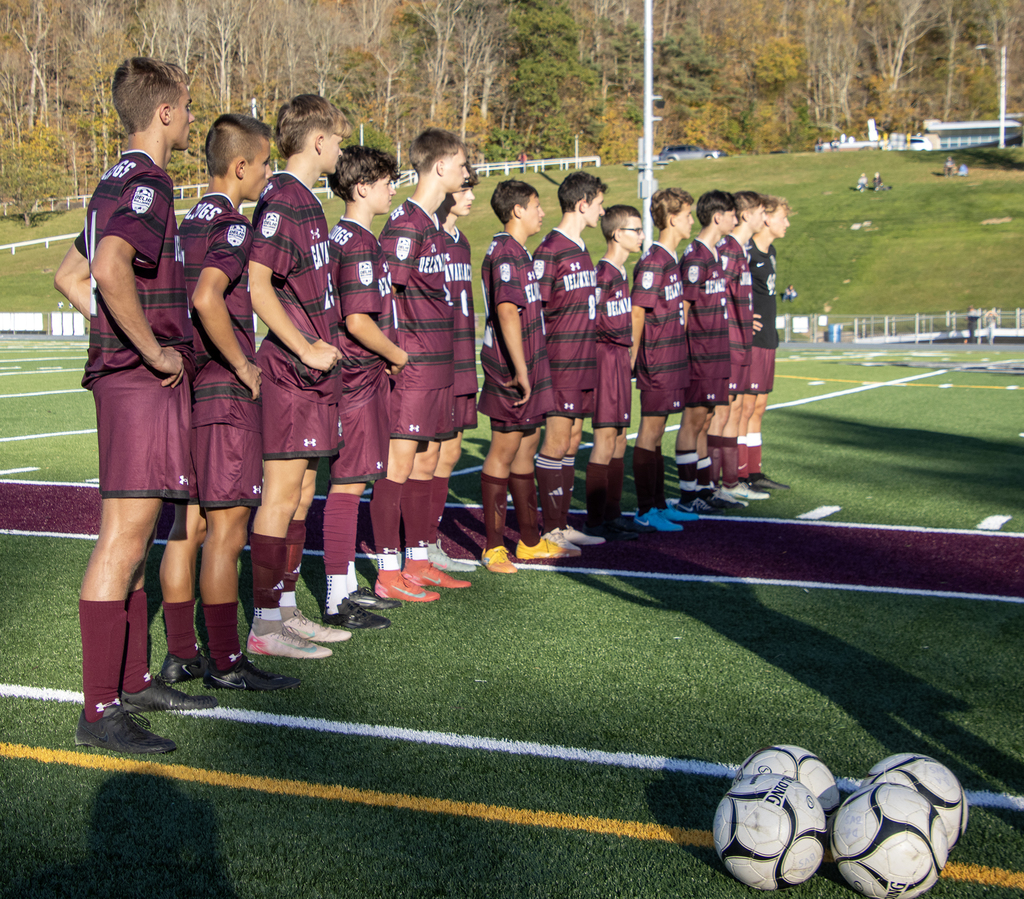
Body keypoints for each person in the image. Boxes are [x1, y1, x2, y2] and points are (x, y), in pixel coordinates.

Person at [53, 57, 215, 754]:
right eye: (186, 106)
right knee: (122, 538)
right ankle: (99, 710)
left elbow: (70, 275)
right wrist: (146, 348)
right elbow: (109, 267)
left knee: (141, 533)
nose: (189, 116)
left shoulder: (113, 178)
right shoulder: (148, 180)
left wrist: (111, 330)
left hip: (127, 376)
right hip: (138, 382)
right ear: (167, 111)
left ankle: (134, 675)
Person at [158, 115, 301, 692]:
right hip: (222, 391)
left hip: (184, 390)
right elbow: (206, 295)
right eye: (264, 164)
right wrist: (245, 365)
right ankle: (224, 660)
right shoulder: (233, 226)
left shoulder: (183, 223)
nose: (268, 175)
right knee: (227, 531)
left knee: (184, 527)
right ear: (241, 167)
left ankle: (180, 655)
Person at [245, 95, 352, 660]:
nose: (340, 148)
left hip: (313, 378)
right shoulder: (283, 199)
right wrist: (306, 348)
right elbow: (257, 283)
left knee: (304, 493)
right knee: (281, 496)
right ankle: (264, 624)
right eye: (336, 138)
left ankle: (285, 610)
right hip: (290, 374)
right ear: (316, 141)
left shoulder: (306, 201)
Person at [373, 128, 472, 599]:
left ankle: (417, 560)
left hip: (440, 366)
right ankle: (388, 572)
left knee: (428, 460)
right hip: (412, 369)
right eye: (461, 163)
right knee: (399, 464)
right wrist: (395, 355)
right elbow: (383, 292)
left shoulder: (433, 225)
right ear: (439, 167)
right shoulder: (406, 222)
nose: (467, 171)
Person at [321, 146, 409, 628]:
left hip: (357, 376)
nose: (392, 189)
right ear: (361, 187)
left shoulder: (353, 238)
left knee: (353, 480)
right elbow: (356, 319)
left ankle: (348, 584)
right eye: (385, 181)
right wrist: (397, 354)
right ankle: (337, 597)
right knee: (349, 483)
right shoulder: (353, 240)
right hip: (355, 376)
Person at [477, 180, 566, 573]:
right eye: (535, 205)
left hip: (529, 364)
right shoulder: (504, 252)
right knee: (503, 451)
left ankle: (529, 540)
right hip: (511, 369)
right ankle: (494, 546)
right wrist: (520, 370)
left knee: (527, 447)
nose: (541, 212)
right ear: (516, 210)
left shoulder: (520, 253)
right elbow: (507, 312)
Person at [533, 171, 608, 555]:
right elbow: (536, 310)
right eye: (598, 204)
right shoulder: (551, 249)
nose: (602, 210)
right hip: (560, 362)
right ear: (582, 204)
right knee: (557, 440)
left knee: (574, 440)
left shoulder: (580, 247)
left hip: (584, 361)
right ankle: (550, 530)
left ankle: (562, 522)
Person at [630, 187, 698, 531]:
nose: (691, 221)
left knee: (659, 435)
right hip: (657, 362)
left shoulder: (671, 260)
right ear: (672, 219)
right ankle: (645, 510)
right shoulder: (653, 261)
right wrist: (632, 358)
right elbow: (638, 311)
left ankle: (658, 503)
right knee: (650, 431)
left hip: (674, 359)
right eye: (687, 215)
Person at [677, 190, 745, 514]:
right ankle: (688, 495)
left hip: (715, 351)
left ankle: (705, 487)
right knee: (692, 421)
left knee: (704, 420)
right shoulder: (696, 256)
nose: (736, 219)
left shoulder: (714, 254)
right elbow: (685, 308)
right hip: (699, 353)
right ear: (718, 216)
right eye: (733, 213)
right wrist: (686, 351)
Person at [429, 166, 482, 574]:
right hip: (433, 362)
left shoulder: (461, 240)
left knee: (451, 452)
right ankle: (409, 541)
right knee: (426, 456)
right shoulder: (425, 235)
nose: (470, 197)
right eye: (465, 189)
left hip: (462, 358)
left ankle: (428, 536)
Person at [582, 204, 644, 541]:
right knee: (606, 438)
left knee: (620, 437)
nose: (641, 236)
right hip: (605, 360)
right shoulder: (602, 273)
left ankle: (614, 513)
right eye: (636, 230)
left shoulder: (621, 273)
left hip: (621, 360)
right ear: (617, 234)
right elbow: (591, 322)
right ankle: (595, 519)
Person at [707, 190, 769, 504]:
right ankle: (718, 484)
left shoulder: (738, 249)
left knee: (734, 412)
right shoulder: (728, 250)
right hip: (729, 344)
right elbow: (714, 294)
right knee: (724, 413)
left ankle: (729, 482)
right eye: (761, 213)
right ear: (745, 215)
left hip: (741, 342)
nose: (764, 219)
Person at [743, 194, 792, 492]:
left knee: (759, 406)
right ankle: (737, 473)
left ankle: (753, 470)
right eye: (783, 217)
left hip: (767, 339)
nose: (786, 223)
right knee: (745, 407)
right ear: (766, 218)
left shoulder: (769, 250)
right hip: (749, 340)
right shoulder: (746, 252)